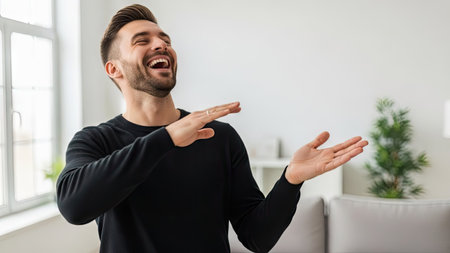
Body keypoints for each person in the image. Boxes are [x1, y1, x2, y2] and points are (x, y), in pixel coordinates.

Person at [57, 4, 368, 253]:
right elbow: (74, 207)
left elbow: (257, 238)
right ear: (114, 69)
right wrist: (166, 139)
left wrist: (290, 181)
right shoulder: (95, 141)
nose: (161, 45)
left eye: (165, 40)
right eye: (143, 40)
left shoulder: (219, 137)